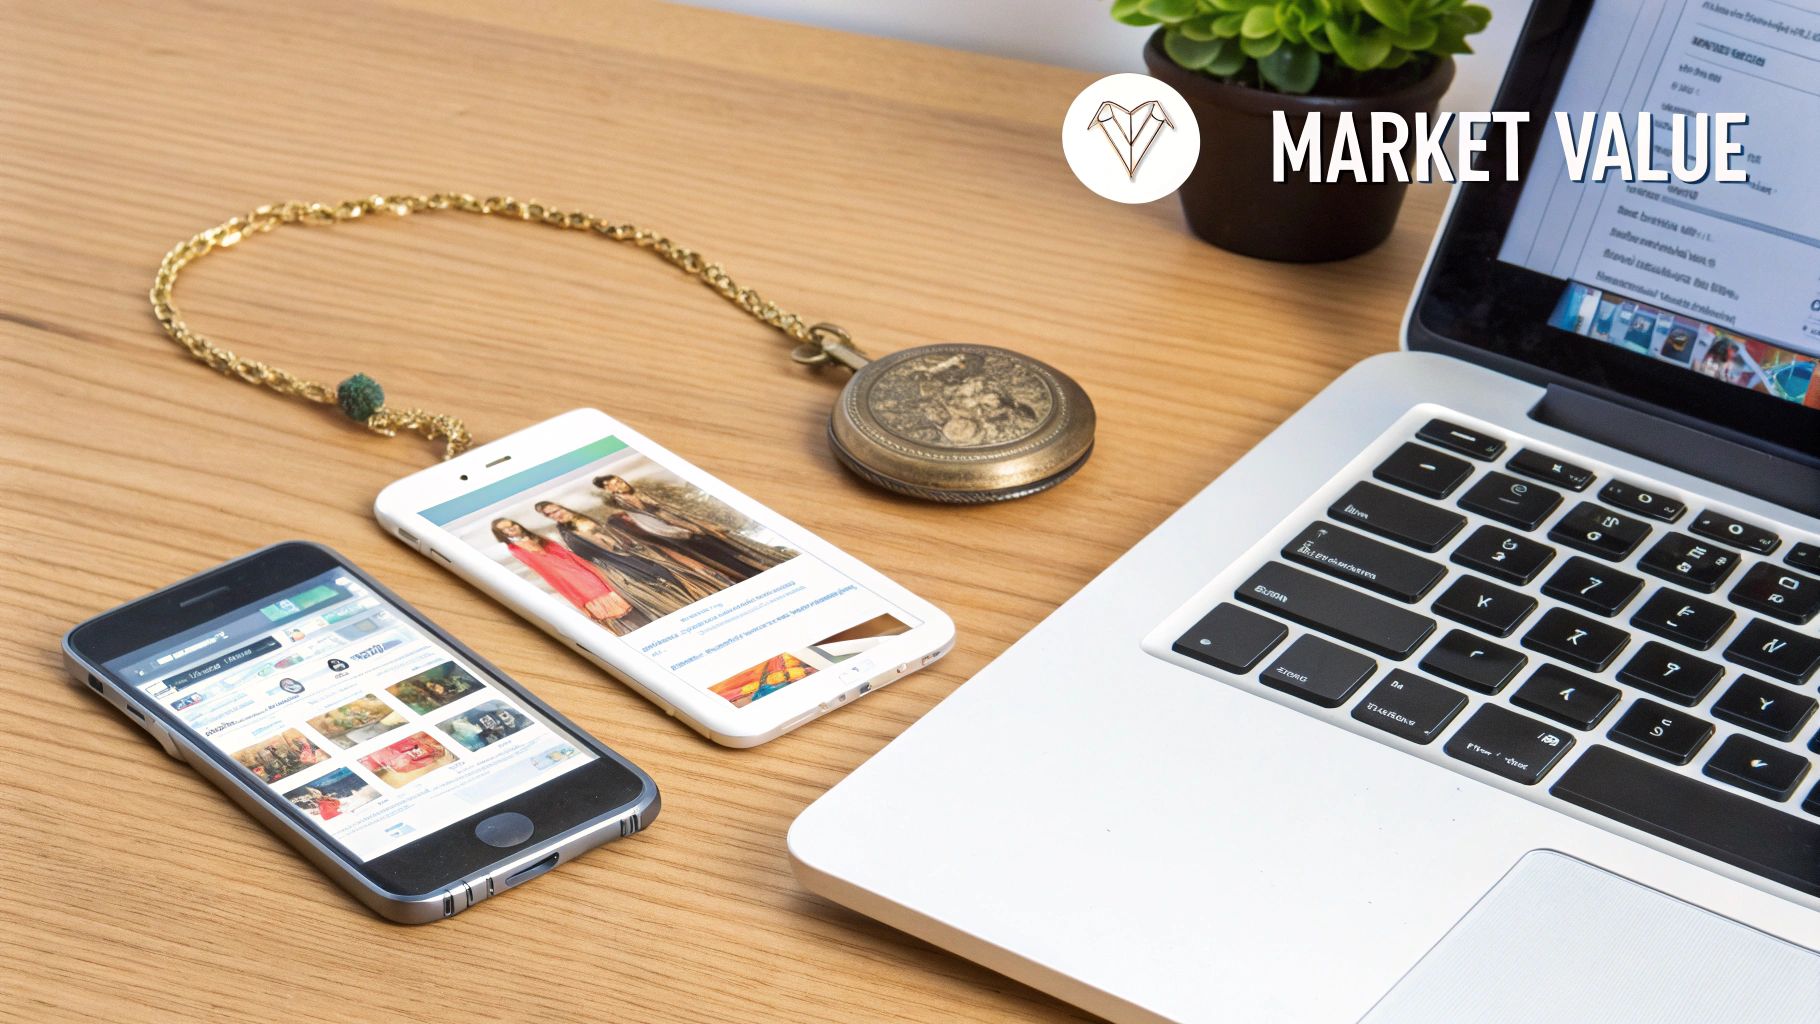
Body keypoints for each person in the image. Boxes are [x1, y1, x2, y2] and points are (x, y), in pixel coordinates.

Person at [534, 501, 721, 618]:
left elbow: (618, 533)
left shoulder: (587, 517)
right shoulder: (564, 531)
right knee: (651, 586)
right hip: (614, 563)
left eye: (556, 510)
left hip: (636, 552)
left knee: (671, 573)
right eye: (550, 514)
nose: (556, 514)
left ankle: (702, 599)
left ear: (561, 507)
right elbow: (583, 551)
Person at [593, 474, 795, 577]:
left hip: (696, 528)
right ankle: (757, 572)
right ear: (609, 490)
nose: (619, 485)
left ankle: (770, 563)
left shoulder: (641, 493)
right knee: (727, 557)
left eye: (618, 481)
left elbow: (673, 510)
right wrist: (687, 530)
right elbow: (655, 523)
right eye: (613, 484)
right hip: (685, 536)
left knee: (736, 546)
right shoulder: (628, 507)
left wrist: (699, 524)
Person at [491, 518, 652, 636]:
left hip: (581, 570)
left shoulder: (538, 537)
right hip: (571, 581)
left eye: (512, 524)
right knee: (615, 614)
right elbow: (541, 560)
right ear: (501, 533)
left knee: (625, 603)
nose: (511, 528)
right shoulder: (516, 549)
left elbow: (565, 554)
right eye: (505, 529)